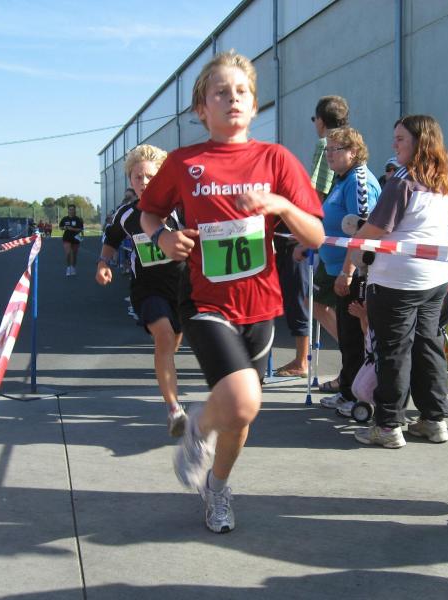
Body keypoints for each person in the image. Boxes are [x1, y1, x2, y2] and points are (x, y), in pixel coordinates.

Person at [138, 50, 324, 533]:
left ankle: (217, 488)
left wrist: (281, 204)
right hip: (206, 302)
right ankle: (197, 428)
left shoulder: (276, 159)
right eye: (221, 92)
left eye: (242, 92)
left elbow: (316, 236)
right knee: (241, 400)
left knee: (241, 418)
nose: (233, 99)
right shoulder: (184, 162)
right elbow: (149, 212)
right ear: (202, 109)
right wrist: (163, 237)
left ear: (255, 105)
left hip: (260, 306)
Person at [343, 115, 448, 448]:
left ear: (419, 142)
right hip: (436, 276)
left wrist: (353, 247)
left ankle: (388, 424)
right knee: (428, 344)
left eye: (401, 138)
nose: (394, 144)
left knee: (392, 350)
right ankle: (434, 419)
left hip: (397, 279)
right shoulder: (442, 181)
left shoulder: (403, 180)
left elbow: (377, 228)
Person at [96, 144, 188, 437]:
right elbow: (111, 239)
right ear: (130, 180)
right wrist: (103, 263)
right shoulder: (126, 214)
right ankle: (174, 409)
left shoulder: (181, 206)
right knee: (163, 336)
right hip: (148, 288)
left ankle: (166, 366)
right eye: (138, 177)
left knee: (172, 340)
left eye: (150, 176)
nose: (144, 182)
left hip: (183, 288)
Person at [314, 126, 380, 413]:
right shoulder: (342, 180)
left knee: (354, 335)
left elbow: (363, 232)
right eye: (327, 150)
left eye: (335, 149)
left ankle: (355, 395)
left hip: (355, 271)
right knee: (347, 333)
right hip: (336, 267)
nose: (329, 155)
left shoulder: (358, 181)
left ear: (353, 152)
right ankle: (348, 390)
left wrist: (347, 271)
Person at [304, 96, 350, 392]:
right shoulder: (349, 140)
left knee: (320, 304)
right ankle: (356, 361)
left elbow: (317, 191)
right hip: (341, 237)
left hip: (331, 239)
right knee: (344, 308)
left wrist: (305, 230)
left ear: (321, 120)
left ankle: (355, 358)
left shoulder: (326, 144)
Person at [59, 204, 84, 276]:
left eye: (73, 209)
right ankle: (68, 267)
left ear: (75, 210)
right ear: (68, 210)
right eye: (70, 209)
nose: (71, 211)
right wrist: (64, 228)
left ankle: (73, 267)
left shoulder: (78, 219)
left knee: (74, 254)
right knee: (68, 253)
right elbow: (60, 227)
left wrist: (72, 229)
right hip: (67, 238)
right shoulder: (65, 219)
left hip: (76, 239)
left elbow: (80, 229)